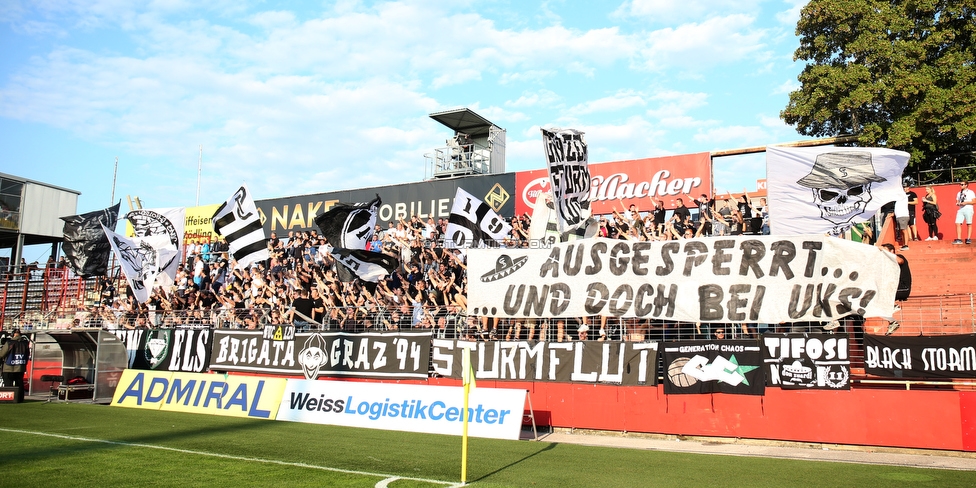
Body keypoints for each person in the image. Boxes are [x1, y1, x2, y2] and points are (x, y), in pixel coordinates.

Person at [880, 243, 911, 335]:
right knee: (876, 302)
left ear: (892, 251)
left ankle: (893, 306)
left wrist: (884, 250)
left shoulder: (899, 257)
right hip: (894, 289)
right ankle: (892, 322)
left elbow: (900, 261)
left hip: (903, 288)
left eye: (885, 251)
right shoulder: (887, 263)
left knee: (880, 295)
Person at [0, 329, 30, 403]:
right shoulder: (25, 343)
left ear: (13, 334)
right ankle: (19, 399)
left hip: (8, 367)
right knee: (19, 383)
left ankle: (8, 399)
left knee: (8, 383)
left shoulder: (9, 343)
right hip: (20, 367)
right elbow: (27, 355)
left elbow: (1, 354)